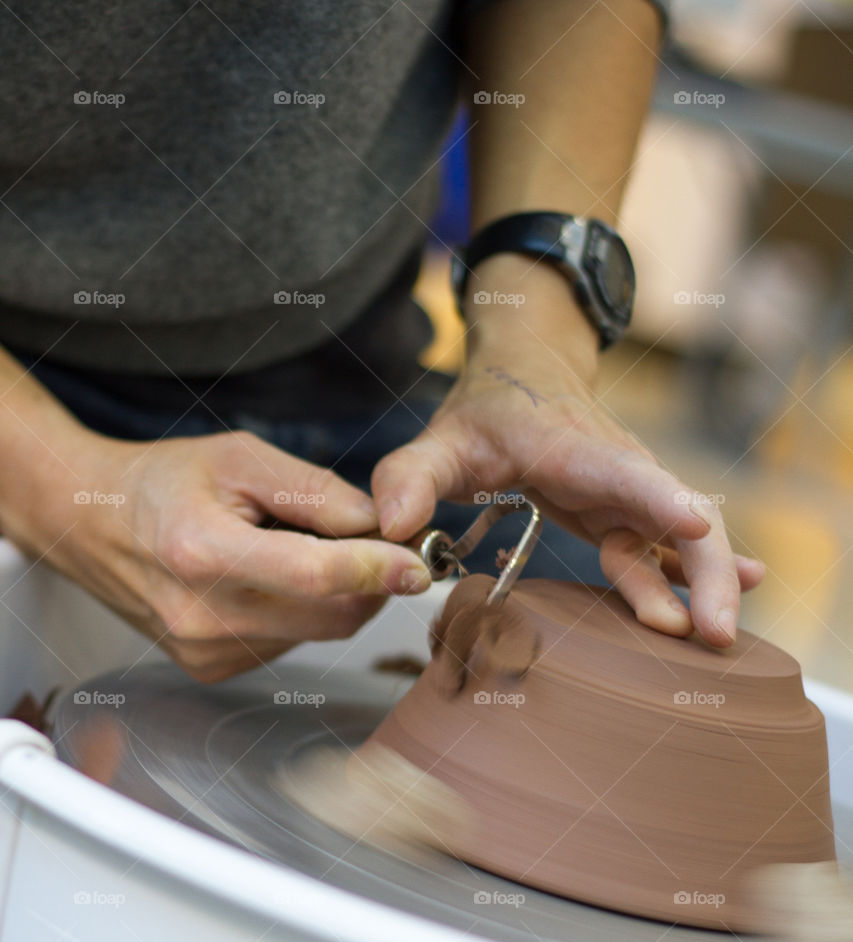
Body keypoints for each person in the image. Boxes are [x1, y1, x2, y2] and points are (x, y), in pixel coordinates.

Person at [0, 0, 763, 683]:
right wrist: (59, 486)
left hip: (344, 356)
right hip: (23, 373)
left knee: (647, 653)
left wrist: (535, 362)